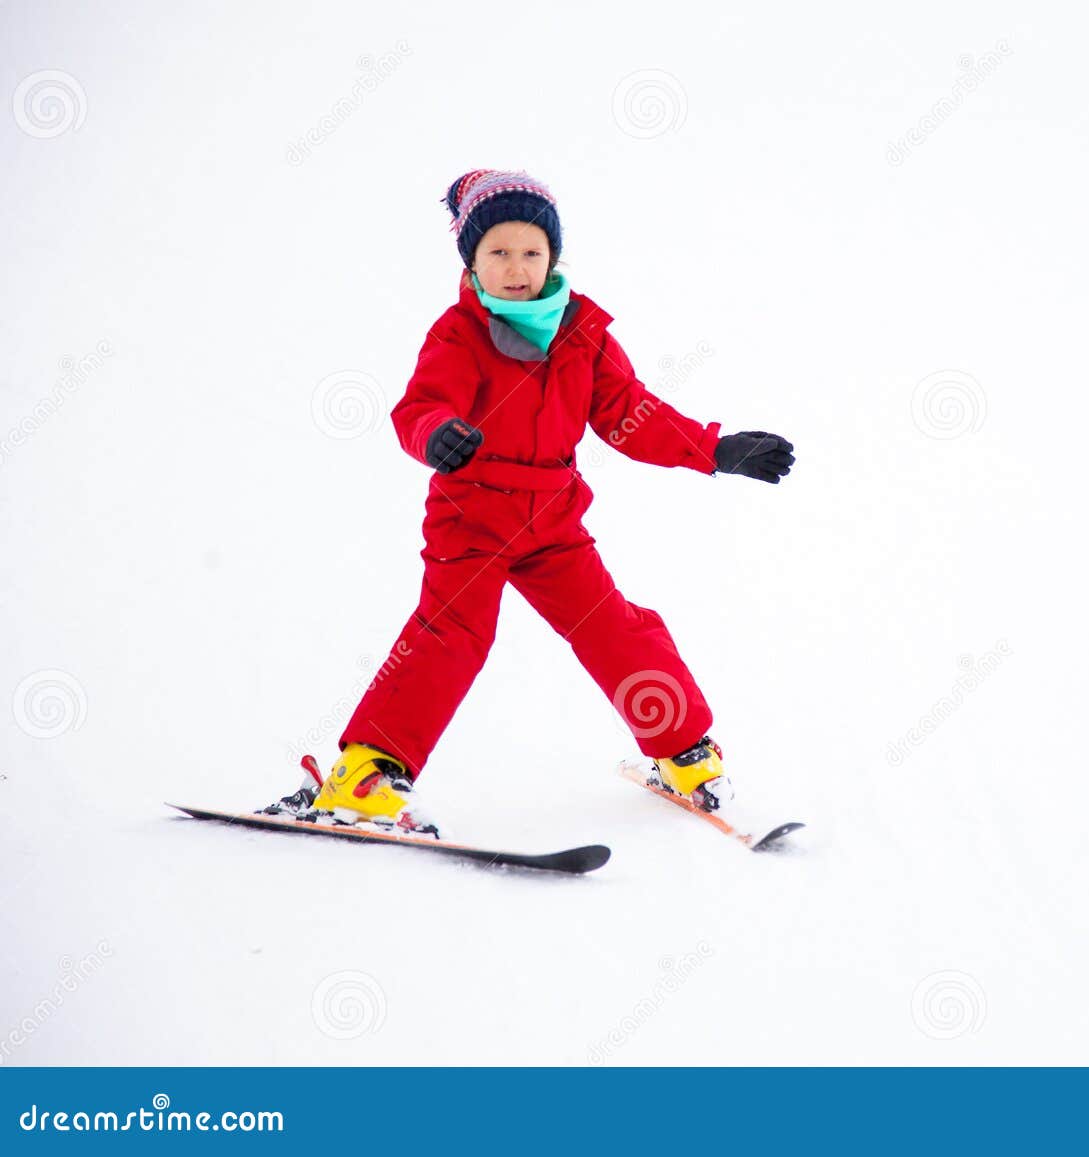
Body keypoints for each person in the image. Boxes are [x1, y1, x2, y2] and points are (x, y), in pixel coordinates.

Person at [263, 169, 795, 837]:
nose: (516, 269)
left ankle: (682, 751)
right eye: (499, 254)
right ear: (473, 261)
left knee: (615, 628)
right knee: (449, 638)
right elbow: (420, 407)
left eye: (531, 253)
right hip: (472, 518)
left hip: (553, 520)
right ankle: (367, 772)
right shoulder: (460, 335)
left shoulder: (583, 333)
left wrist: (713, 449)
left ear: (553, 257)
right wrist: (438, 435)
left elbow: (629, 411)